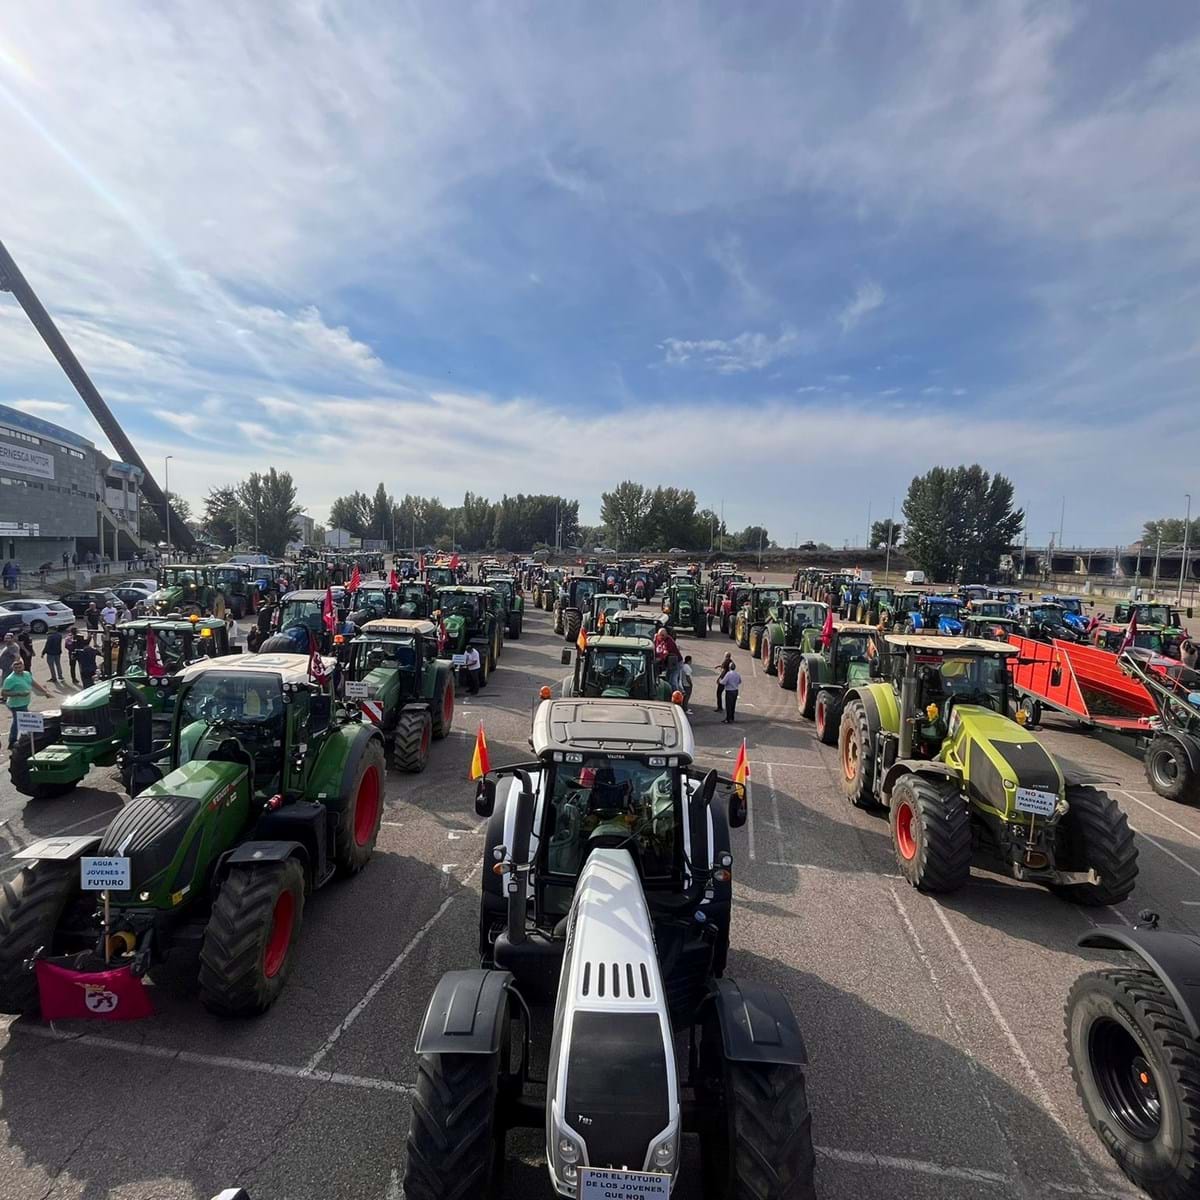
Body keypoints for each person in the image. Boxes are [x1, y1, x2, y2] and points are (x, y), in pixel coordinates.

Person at [2, 660, 47, 749]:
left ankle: (20, 739)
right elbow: (3, 693)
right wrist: (18, 694)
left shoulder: (26, 674)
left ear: (23, 666)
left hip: (24, 702)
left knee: (19, 721)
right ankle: (14, 741)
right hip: (16, 704)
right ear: (13, 668)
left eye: (20, 667)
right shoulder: (10, 679)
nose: (18, 669)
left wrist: (45, 692)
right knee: (21, 721)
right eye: (16, 668)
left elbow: (33, 683)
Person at [722, 660, 742, 724]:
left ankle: (728, 719)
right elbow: (740, 681)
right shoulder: (737, 674)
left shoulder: (728, 674)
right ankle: (732, 717)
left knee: (728, 705)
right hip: (735, 691)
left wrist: (720, 681)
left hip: (729, 691)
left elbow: (723, 682)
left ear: (729, 667)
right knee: (733, 705)